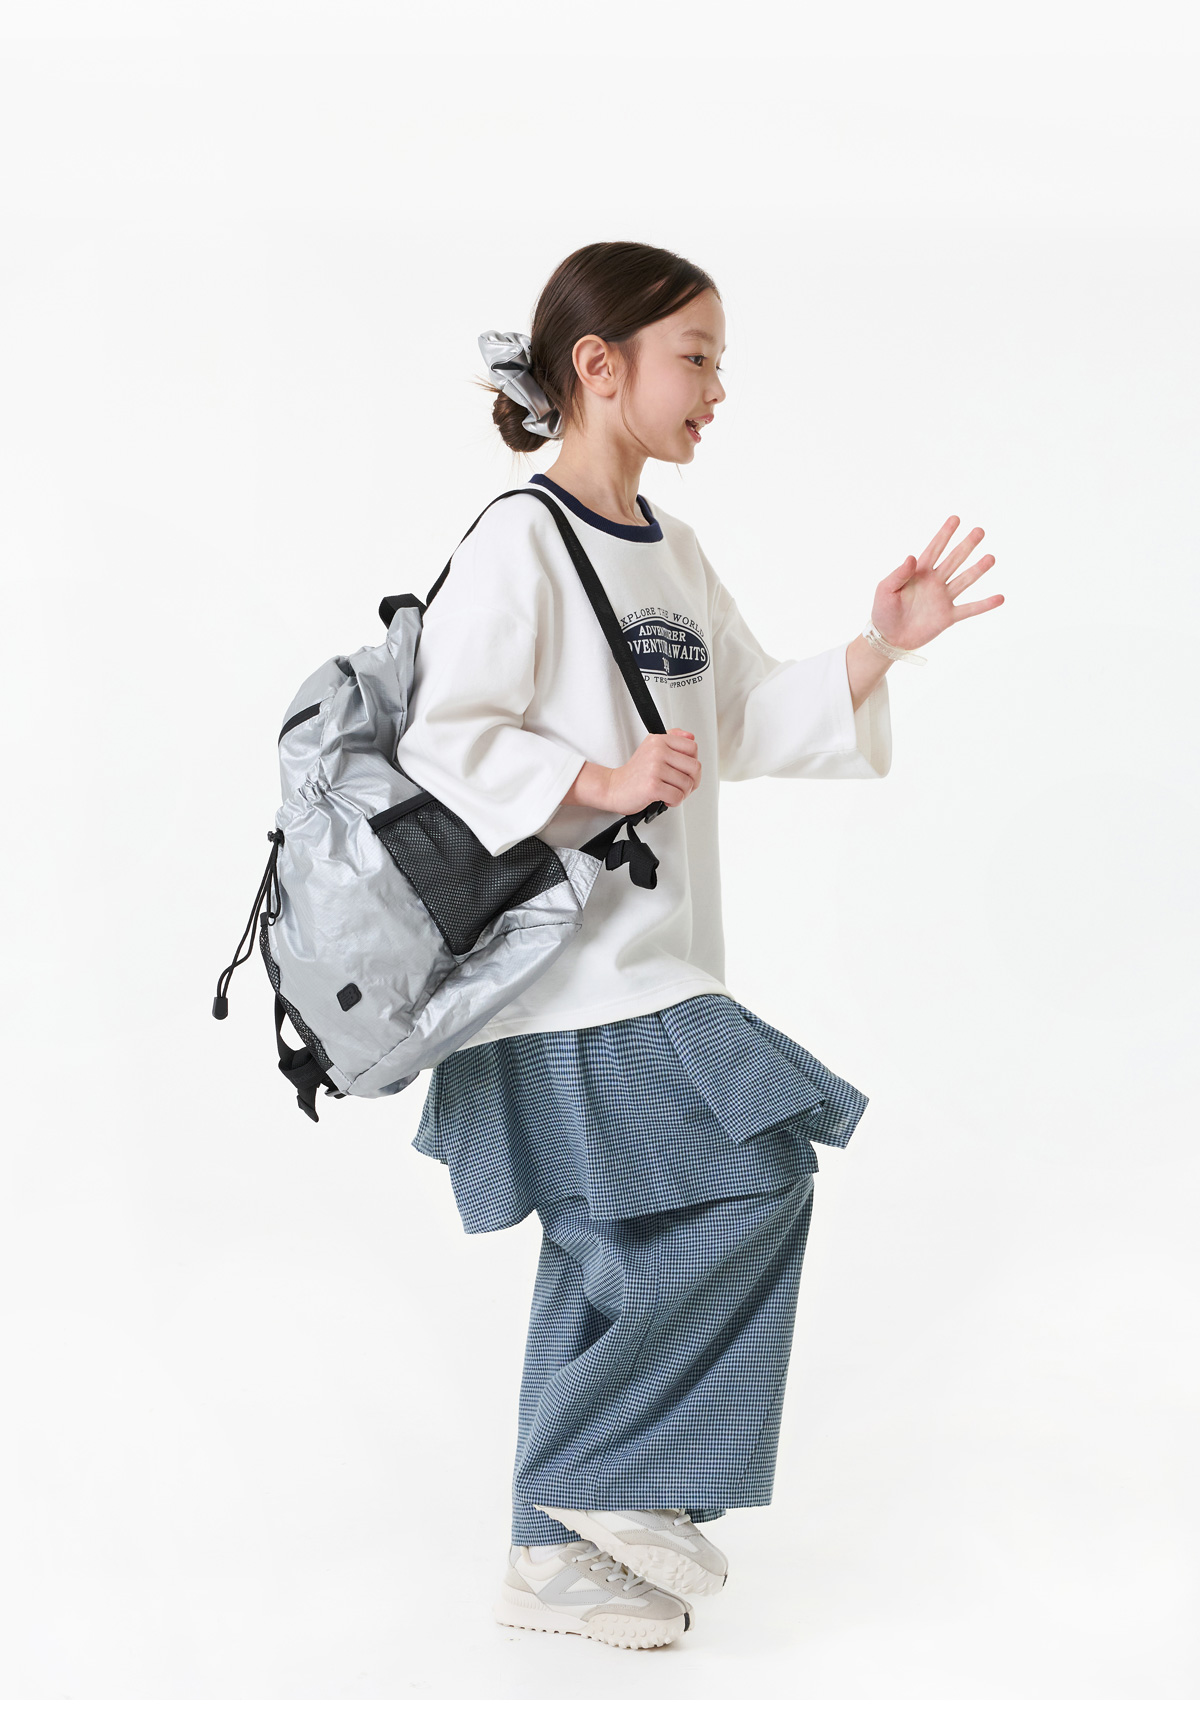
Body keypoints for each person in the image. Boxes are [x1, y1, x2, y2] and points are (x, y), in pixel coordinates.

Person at [392, 241, 1002, 1652]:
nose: (718, 389)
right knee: (762, 1167)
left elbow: (740, 720)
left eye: (720, 361)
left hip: (653, 958)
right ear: (597, 367)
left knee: (606, 1251)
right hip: (564, 980)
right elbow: (443, 737)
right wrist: (599, 781)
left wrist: (881, 647)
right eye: (697, 358)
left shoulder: (672, 550)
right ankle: (606, 1474)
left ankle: (548, 1555)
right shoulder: (518, 539)